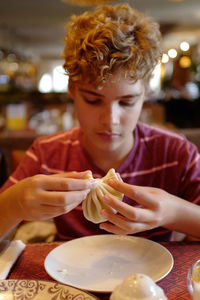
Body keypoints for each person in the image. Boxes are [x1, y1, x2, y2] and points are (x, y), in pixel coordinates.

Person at [0, 3, 200, 242]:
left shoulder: (177, 154)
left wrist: (175, 213)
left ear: (145, 94)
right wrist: (13, 205)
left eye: (126, 102)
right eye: (93, 101)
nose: (110, 120)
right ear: (72, 91)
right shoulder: (46, 154)